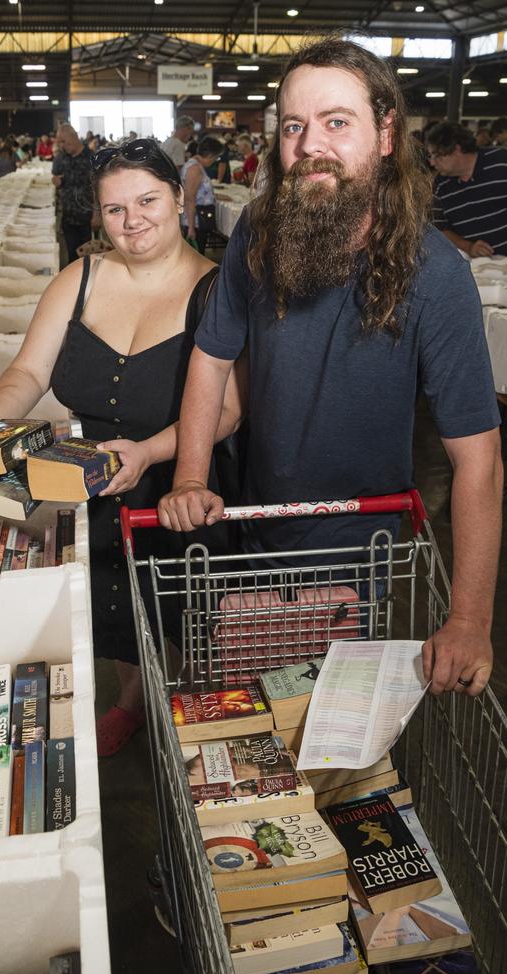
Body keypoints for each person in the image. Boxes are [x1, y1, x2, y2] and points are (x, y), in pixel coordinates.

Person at [159, 37, 503, 700]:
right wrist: (191, 474)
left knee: (334, 724)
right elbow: (212, 354)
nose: (311, 145)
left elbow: (479, 459)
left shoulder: (437, 275)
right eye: (295, 126)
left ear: (385, 133)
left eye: (336, 122)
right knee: (255, 711)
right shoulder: (259, 234)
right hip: (254, 523)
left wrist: (469, 621)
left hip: (362, 551)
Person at [0, 138, 243, 754]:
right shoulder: (80, 279)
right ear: (98, 215)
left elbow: (229, 411)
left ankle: (197, 700)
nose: (133, 221)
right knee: (115, 599)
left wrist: (150, 453)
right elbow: (26, 372)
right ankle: (131, 698)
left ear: (180, 198)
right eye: (115, 209)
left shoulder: (217, 289)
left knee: (189, 608)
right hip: (95, 481)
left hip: (183, 479)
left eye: (148, 200)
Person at [426, 122, 507, 258]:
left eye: (437, 156)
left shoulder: (501, 162)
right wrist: (469, 247)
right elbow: (440, 229)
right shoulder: (440, 184)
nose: (433, 163)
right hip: (480, 267)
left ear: (457, 149)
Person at [51, 124, 94, 263]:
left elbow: (99, 188)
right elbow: (57, 176)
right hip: (68, 216)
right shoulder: (61, 157)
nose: (62, 145)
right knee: (72, 257)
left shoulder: (91, 158)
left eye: (64, 141)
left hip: (86, 217)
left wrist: (98, 215)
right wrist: (57, 181)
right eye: (60, 143)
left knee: (86, 257)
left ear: (74, 137)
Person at [180, 135, 223, 255]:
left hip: (197, 219)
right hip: (196, 221)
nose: (215, 161)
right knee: (196, 255)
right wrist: (191, 227)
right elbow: (190, 199)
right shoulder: (194, 169)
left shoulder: (196, 165)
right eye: (216, 157)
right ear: (210, 155)